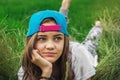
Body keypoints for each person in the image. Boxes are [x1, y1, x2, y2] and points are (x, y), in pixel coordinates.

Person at [18, 0, 103, 80]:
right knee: (59, 27)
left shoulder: (76, 55)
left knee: (90, 43)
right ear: (31, 42)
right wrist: (46, 71)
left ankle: (98, 26)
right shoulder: (26, 68)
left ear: (65, 41)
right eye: (42, 38)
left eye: (57, 38)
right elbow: (57, 28)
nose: (50, 46)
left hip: (83, 52)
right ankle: (64, 7)